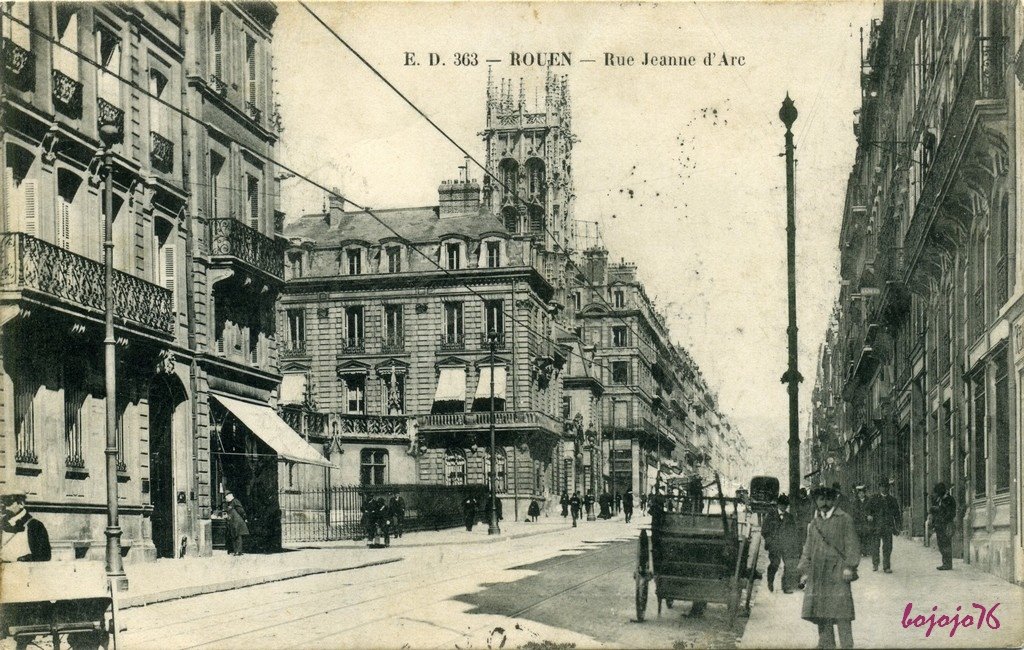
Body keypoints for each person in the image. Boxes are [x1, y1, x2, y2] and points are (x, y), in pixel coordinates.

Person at [798, 485, 859, 649]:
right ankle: (826, 643)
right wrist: (804, 570)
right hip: (819, 573)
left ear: (834, 500)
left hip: (838, 571)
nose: (824, 503)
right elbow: (807, 548)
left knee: (842, 612)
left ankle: (847, 644)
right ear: (816, 501)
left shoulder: (844, 519)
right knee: (821, 610)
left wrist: (849, 567)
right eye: (821, 499)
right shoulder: (814, 523)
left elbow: (852, 544)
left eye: (828, 499)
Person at [763, 494, 802, 593]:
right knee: (775, 564)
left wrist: (794, 544)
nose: (783, 507)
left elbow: (793, 532)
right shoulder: (770, 515)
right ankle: (770, 581)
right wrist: (770, 541)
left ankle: (785, 587)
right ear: (778, 504)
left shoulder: (789, 517)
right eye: (782, 505)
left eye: (785, 505)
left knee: (788, 565)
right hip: (774, 545)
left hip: (786, 545)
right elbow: (764, 531)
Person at [1, 490, 51, 562]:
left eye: (9, 503)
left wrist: (26, 559)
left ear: (21, 503)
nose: (6, 508)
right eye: (3, 503)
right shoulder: (2, 524)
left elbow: (45, 556)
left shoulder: (35, 526)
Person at [867, 480, 900, 573]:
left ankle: (886, 566)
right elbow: (867, 509)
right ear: (879, 488)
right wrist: (869, 515)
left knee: (888, 547)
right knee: (875, 546)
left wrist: (898, 526)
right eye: (882, 486)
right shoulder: (874, 498)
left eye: (886, 487)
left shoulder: (892, 500)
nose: (884, 489)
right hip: (876, 526)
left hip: (888, 527)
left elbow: (897, 514)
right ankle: (875, 564)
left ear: (888, 488)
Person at [929, 482, 956, 571]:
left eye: (937, 492)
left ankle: (947, 564)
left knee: (946, 544)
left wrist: (940, 512)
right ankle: (945, 563)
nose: (936, 494)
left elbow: (951, 513)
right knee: (941, 544)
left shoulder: (949, 499)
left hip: (945, 525)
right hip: (939, 526)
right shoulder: (939, 500)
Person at [850, 485, 874, 559]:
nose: (861, 495)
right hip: (858, 521)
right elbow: (854, 512)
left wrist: (870, 515)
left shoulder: (869, 501)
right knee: (859, 536)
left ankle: (868, 550)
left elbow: (872, 510)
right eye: (859, 493)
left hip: (867, 521)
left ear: (864, 493)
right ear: (858, 494)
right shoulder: (855, 502)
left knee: (867, 535)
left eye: (862, 493)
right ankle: (860, 551)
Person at [223, 492, 249, 556]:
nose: (225, 498)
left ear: (230, 496)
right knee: (234, 535)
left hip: (237, 521)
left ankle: (238, 551)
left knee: (238, 535)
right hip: (232, 522)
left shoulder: (235, 501)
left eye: (226, 497)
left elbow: (241, 510)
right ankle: (235, 551)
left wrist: (244, 517)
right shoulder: (229, 503)